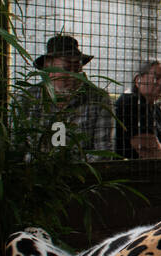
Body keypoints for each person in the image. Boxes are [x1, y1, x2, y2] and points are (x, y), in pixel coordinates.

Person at [17, 33, 116, 161]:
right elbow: (16, 149)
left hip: (83, 178)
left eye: (77, 69)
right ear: (48, 64)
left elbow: (102, 152)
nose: (73, 75)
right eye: (67, 68)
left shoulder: (98, 99)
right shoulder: (27, 98)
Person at [115, 59, 161, 159]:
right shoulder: (130, 102)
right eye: (156, 78)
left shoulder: (154, 108)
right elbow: (150, 149)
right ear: (138, 80)